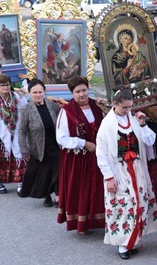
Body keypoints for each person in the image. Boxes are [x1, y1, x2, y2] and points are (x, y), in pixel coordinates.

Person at [96, 89, 157, 259]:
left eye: (130, 107)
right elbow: (101, 153)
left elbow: (150, 141)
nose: (128, 111)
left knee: (139, 204)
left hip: (138, 169)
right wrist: (108, 177)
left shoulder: (133, 120)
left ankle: (133, 240)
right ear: (115, 104)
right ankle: (123, 246)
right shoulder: (107, 125)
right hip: (119, 171)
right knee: (124, 206)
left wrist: (142, 124)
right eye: (125, 108)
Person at [56, 76, 105, 235]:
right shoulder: (67, 111)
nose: (82, 94)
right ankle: (81, 223)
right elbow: (61, 138)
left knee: (99, 189)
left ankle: (101, 221)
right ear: (72, 93)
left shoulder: (97, 106)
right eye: (77, 92)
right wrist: (84, 143)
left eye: (84, 90)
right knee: (81, 190)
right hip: (78, 159)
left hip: (98, 156)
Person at [18, 79, 60, 207]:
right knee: (45, 173)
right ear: (29, 93)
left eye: (40, 92)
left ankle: (58, 196)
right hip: (39, 147)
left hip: (55, 145)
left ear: (44, 92)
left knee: (59, 170)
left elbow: (60, 123)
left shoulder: (52, 105)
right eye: (34, 92)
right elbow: (22, 131)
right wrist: (24, 150)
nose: (38, 95)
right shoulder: (26, 109)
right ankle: (46, 195)